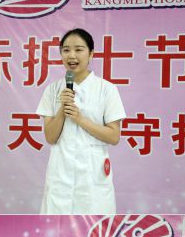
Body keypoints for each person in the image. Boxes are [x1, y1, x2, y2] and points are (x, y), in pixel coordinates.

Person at [36, 28, 126, 214]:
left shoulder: (106, 89)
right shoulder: (52, 90)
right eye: (66, 50)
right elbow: (50, 137)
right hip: (60, 177)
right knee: (56, 227)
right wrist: (63, 108)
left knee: (95, 226)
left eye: (78, 49)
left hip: (92, 180)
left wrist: (80, 119)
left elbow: (114, 136)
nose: (72, 56)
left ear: (91, 53)